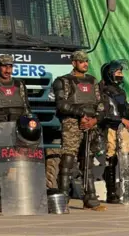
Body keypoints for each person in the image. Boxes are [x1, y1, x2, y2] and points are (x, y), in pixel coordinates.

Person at [53, 50, 107, 211]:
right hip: (72, 123)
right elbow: (61, 104)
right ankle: (63, 197)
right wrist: (81, 115)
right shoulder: (63, 81)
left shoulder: (93, 81)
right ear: (74, 63)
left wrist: (95, 119)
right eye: (81, 61)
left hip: (91, 124)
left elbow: (101, 104)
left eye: (86, 61)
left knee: (88, 161)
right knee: (68, 160)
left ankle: (90, 197)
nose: (85, 64)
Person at [0, 54, 31, 212]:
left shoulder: (19, 85)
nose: (7, 69)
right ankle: (0, 196)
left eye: (10, 66)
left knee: (14, 164)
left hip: (16, 129)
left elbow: (26, 108)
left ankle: (14, 195)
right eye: (4, 66)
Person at [98, 59, 129, 204]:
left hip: (122, 128)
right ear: (110, 74)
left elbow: (124, 109)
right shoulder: (103, 91)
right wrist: (122, 121)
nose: (121, 75)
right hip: (110, 128)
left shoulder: (120, 91)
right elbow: (105, 114)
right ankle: (111, 193)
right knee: (111, 158)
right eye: (118, 72)